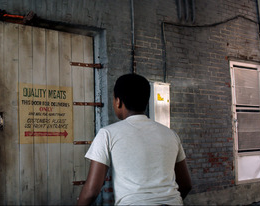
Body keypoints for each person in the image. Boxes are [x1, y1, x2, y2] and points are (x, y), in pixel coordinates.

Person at [77, 73, 192, 205]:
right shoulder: (171, 134)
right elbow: (186, 185)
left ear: (118, 101)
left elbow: (91, 191)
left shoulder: (107, 134)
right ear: (146, 101)